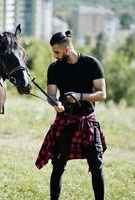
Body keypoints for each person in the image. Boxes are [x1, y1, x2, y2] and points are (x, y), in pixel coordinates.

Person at [35, 31, 107, 200]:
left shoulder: (91, 64)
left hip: (87, 121)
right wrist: (56, 104)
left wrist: (80, 96)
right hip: (64, 121)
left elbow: (102, 94)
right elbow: (51, 95)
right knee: (58, 166)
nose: (54, 56)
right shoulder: (54, 67)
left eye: (57, 52)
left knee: (96, 167)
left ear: (67, 49)